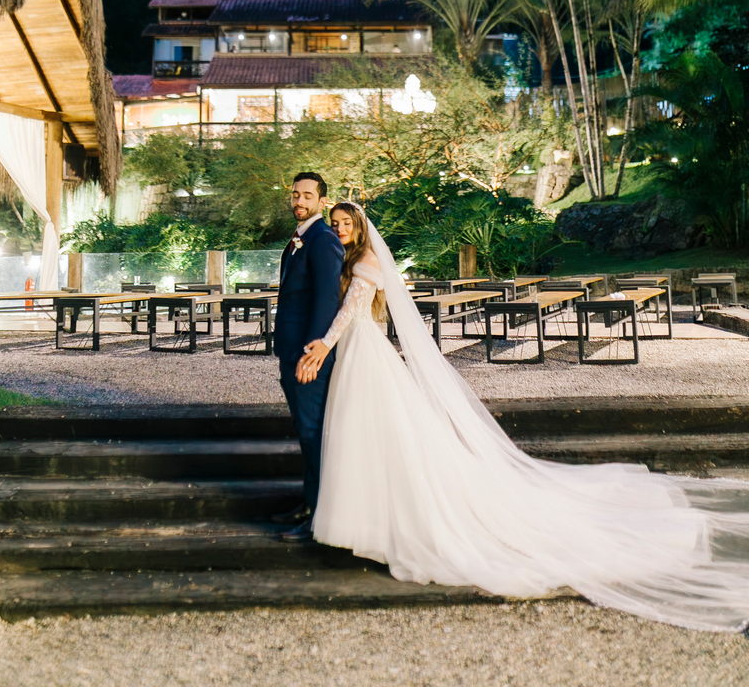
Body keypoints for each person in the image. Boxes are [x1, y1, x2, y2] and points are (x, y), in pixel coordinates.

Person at [295, 200, 749, 632]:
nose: (340, 228)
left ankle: (381, 522)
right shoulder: (347, 259)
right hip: (358, 351)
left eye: (347, 222)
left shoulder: (366, 262)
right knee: (370, 435)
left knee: (378, 431)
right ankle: (367, 519)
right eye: (336, 223)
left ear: (360, 226)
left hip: (362, 350)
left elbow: (352, 310)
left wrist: (323, 345)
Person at [272, 171, 343, 543]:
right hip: (291, 351)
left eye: (307, 196)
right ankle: (308, 503)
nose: (299, 201)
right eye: (295, 194)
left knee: (314, 432)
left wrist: (313, 352)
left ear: (322, 201)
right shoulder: (300, 239)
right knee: (305, 430)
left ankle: (320, 517)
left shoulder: (323, 240)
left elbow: (327, 300)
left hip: (308, 356)